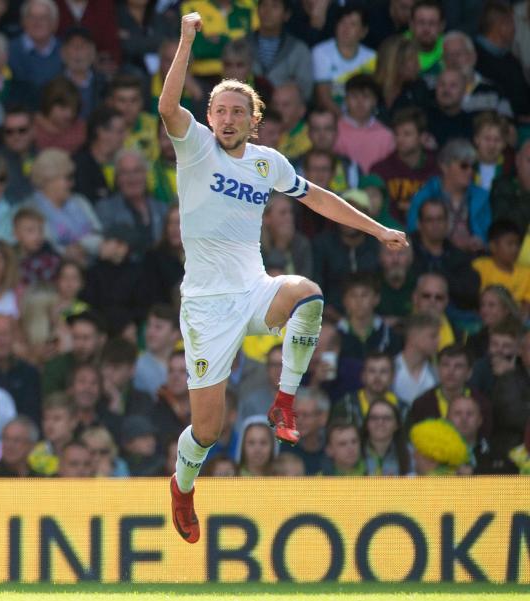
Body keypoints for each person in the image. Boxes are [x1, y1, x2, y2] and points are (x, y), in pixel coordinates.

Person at [160, 11, 408, 544]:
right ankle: (182, 487)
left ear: (254, 120)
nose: (226, 119)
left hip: (254, 290)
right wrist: (185, 40)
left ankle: (285, 400)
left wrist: (376, 229)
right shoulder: (196, 146)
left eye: (237, 112)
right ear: (208, 115)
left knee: (309, 296)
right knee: (207, 431)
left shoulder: (267, 163)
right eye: (219, 110)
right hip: (205, 306)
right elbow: (165, 106)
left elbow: (317, 197)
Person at [407, 140, 491, 253]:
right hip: (434, 258)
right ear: (445, 167)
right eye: (464, 165)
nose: (470, 171)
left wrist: (480, 241)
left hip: (474, 258)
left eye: (473, 166)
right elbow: (414, 235)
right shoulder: (424, 196)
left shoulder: (482, 197)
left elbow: (489, 236)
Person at [369, 107, 439, 224]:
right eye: (397, 134)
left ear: (422, 137)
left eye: (407, 134)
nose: (400, 139)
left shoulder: (436, 169)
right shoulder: (380, 170)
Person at [311, 6, 375, 115]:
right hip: (332, 117)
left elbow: (371, 96)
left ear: (363, 31)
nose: (346, 28)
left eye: (353, 24)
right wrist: (346, 122)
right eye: (342, 23)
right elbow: (324, 98)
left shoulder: (372, 57)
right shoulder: (321, 52)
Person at [472, 221, 530, 312]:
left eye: (517, 244)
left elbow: (527, 304)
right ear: (493, 246)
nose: (515, 249)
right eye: (510, 244)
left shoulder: (526, 273)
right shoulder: (480, 267)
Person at [330, 352, 400, 429]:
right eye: (372, 371)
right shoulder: (345, 406)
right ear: (363, 376)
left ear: (392, 377)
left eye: (383, 371)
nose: (377, 377)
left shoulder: (402, 409)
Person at [361, 398, 410, 475]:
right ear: (367, 424)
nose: (380, 422)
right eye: (374, 418)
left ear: (397, 425)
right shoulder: (353, 452)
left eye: (387, 418)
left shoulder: (411, 455)